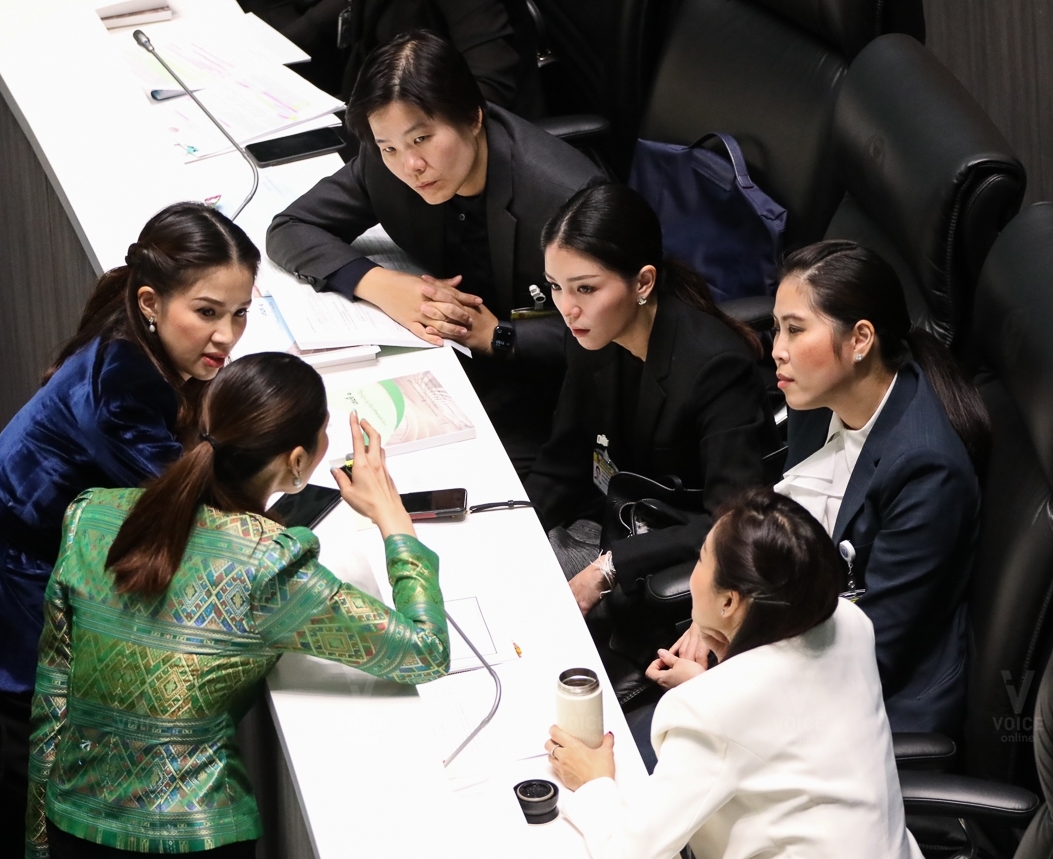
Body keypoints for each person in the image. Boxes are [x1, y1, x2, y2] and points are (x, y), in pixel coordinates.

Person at [0, 202, 259, 859]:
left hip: (20, 558)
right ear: (150, 302)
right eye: (208, 313)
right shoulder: (123, 384)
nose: (227, 336)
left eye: (240, 314)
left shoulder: (133, 343)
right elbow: (196, 508)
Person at [26, 353, 449, 859]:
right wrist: (395, 521)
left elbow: (52, 694)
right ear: (298, 463)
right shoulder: (268, 563)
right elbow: (424, 649)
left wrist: (40, 852)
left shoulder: (91, 515)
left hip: (75, 838)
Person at [650, 240, 985, 738]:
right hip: (791, 647)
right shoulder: (817, 398)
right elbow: (789, 522)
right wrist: (713, 608)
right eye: (777, 327)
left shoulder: (925, 471)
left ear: (860, 339)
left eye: (794, 329)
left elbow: (871, 655)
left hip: (861, 712)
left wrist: (720, 688)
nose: (775, 349)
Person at [546, 488, 932, 859]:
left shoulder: (712, 711)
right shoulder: (850, 622)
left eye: (700, 558)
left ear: (729, 600)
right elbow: (798, 712)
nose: (695, 570)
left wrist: (594, 782)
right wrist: (714, 688)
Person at [267, 30, 605, 473]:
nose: (410, 165)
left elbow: (624, 329)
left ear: (473, 116)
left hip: (552, 396)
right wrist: (381, 285)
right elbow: (289, 227)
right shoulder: (385, 162)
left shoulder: (566, 199)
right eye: (389, 147)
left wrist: (499, 336)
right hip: (449, 366)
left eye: (422, 139)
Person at [525, 185, 779, 636]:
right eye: (556, 287)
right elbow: (562, 462)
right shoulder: (590, 333)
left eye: (585, 288)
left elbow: (733, 518)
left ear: (643, 282)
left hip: (667, 548)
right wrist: (514, 527)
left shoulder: (715, 367)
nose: (567, 307)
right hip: (607, 518)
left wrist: (610, 569)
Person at [242, 0, 541, 115]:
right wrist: (261, 50)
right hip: (379, 113)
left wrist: (401, 139)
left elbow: (489, 91)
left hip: (438, 137)